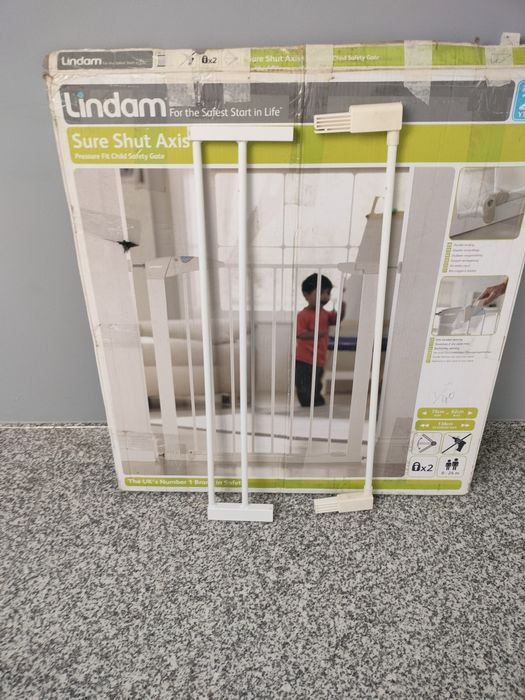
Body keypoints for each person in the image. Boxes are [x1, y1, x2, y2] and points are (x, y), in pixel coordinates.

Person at [295, 273, 346, 407]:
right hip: (304, 359)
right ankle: (306, 400)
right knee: (304, 382)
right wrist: (318, 333)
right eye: (321, 293)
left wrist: (342, 307)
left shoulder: (325, 313)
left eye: (328, 293)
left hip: (319, 358)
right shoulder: (303, 315)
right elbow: (300, 334)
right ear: (306, 295)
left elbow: (337, 320)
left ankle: (315, 398)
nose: (325, 297)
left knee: (316, 381)